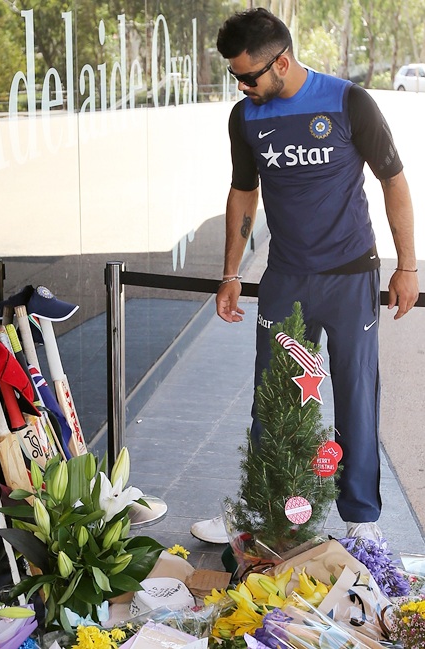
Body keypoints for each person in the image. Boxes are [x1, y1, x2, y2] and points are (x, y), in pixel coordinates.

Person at [191, 7, 419, 546]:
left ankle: (362, 521)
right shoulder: (245, 117)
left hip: (350, 277)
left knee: (356, 396)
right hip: (286, 279)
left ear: (283, 62)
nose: (241, 86)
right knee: (273, 398)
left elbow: (394, 180)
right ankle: (263, 510)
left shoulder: (347, 102)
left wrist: (406, 266)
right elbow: (243, 192)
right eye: (234, 76)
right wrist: (229, 272)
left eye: (248, 76)